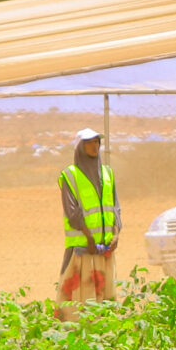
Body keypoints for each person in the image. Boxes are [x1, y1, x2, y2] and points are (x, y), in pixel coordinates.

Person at [57, 128, 120, 319]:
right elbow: (72, 212)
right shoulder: (70, 175)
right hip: (82, 251)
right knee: (75, 301)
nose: (94, 146)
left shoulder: (108, 173)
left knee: (105, 299)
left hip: (104, 249)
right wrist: (89, 237)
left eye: (97, 142)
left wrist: (116, 234)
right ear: (80, 147)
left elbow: (115, 208)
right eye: (89, 142)